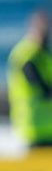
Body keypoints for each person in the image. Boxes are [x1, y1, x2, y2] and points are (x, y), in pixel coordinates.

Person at [8, 9, 52, 147]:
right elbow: (42, 86)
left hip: (46, 127)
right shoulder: (26, 54)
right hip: (32, 127)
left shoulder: (44, 53)